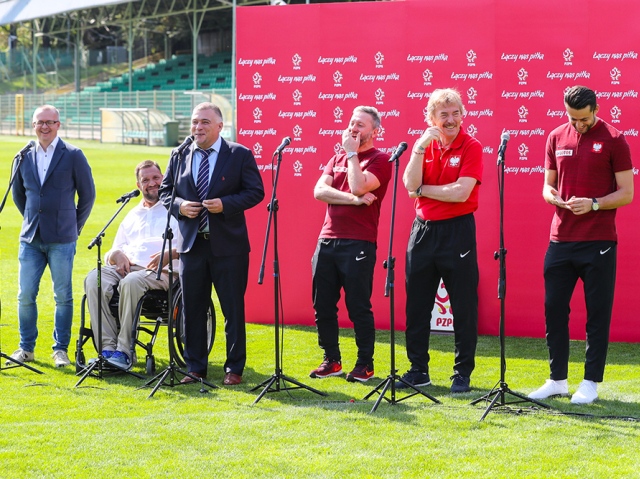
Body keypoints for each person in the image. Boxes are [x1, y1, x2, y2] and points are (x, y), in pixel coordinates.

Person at [529, 85, 633, 405]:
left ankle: (590, 383)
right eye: (572, 118)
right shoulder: (555, 136)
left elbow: (627, 192)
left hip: (599, 241)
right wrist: (553, 197)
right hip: (560, 238)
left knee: (597, 314)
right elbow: (547, 186)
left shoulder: (615, 139)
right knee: (554, 310)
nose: (578, 125)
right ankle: (557, 379)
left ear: (596, 109)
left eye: (584, 119)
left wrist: (595, 204)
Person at [160, 102, 264, 386]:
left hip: (229, 247)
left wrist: (225, 205)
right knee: (193, 308)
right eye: (194, 122)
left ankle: (234, 368)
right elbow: (166, 191)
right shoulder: (180, 154)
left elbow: (256, 192)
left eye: (205, 122)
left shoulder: (239, 154)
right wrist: (180, 207)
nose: (198, 128)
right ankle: (196, 367)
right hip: (192, 246)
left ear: (220, 126)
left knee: (232, 309)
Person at [398, 88, 483, 393]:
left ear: (463, 114)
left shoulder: (472, 146)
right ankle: (418, 370)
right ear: (431, 118)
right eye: (443, 114)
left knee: (463, 305)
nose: (450, 120)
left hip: (457, 231)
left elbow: (460, 193)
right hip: (422, 230)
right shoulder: (425, 146)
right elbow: (409, 183)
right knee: (417, 306)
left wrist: (423, 190)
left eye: (455, 113)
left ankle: (462, 374)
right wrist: (420, 147)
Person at [7, 105, 95, 367]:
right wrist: (35, 218)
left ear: (59, 125)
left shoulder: (74, 155)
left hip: (62, 240)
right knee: (25, 295)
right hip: (31, 239)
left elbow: (88, 196)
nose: (44, 127)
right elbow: (18, 195)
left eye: (49, 122)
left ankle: (60, 350)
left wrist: (73, 226)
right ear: (33, 125)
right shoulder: (22, 156)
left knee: (63, 296)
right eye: (39, 122)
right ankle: (26, 348)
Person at [309, 106, 392, 383]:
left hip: (359, 242)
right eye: (351, 123)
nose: (353, 128)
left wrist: (353, 154)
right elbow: (319, 191)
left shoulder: (381, 159)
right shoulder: (336, 158)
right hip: (327, 239)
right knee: (322, 305)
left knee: (358, 306)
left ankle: (364, 365)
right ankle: (331, 360)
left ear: (375, 131)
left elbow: (358, 186)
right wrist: (353, 201)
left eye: (360, 125)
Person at [84, 161, 181, 371]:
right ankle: (107, 350)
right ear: (138, 185)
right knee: (94, 279)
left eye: (156, 178)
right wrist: (116, 254)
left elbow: (187, 246)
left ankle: (125, 351)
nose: (152, 183)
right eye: (145, 180)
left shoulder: (174, 208)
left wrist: (169, 254)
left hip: (162, 271)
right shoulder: (132, 214)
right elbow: (113, 250)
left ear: (163, 178)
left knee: (131, 281)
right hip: (128, 269)